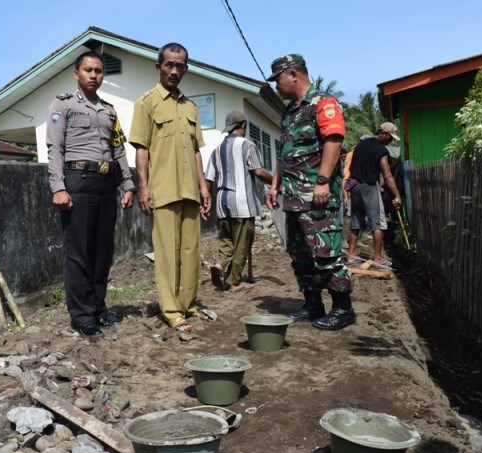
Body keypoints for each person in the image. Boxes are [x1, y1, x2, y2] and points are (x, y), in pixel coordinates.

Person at [46, 51, 136, 338]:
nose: (94, 75)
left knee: (102, 251)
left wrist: (128, 185)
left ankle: (98, 309)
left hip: (106, 183)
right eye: (88, 70)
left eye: (98, 70)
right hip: (78, 181)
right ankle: (82, 316)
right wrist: (58, 187)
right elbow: (55, 150)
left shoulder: (110, 111)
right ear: (77, 74)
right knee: (79, 252)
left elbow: (119, 150)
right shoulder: (63, 105)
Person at [265, 54, 355, 330]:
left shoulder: (323, 104)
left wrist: (323, 180)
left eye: (278, 79)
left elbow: (334, 140)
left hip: (317, 197)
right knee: (300, 255)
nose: (277, 86)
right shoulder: (290, 113)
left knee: (326, 253)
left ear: (293, 74)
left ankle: (343, 308)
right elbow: (283, 153)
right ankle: (312, 304)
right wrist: (275, 185)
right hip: (293, 198)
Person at [129, 42, 211, 333]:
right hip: (162, 190)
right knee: (166, 252)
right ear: (159, 67)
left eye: (180, 66)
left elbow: (196, 150)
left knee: (190, 251)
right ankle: (172, 311)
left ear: (186, 69)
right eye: (169, 65)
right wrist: (144, 186)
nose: (174, 70)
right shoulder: (147, 102)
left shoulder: (190, 106)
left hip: (190, 190)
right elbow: (142, 148)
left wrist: (203, 187)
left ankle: (188, 305)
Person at [206, 110, 273, 291]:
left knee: (226, 240)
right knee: (243, 242)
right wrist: (275, 182)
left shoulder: (215, 151)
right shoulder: (247, 145)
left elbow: (208, 180)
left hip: (221, 202)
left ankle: (220, 265)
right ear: (243, 125)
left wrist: (207, 199)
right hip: (242, 202)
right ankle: (233, 281)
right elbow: (259, 172)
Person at [346, 123, 402, 267]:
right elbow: (387, 174)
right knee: (378, 223)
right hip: (369, 188)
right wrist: (396, 195)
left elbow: (352, 168)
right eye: (390, 137)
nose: (390, 141)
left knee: (355, 224)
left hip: (355, 187)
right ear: (383, 134)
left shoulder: (360, 146)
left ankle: (351, 257)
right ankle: (377, 259)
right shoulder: (381, 150)